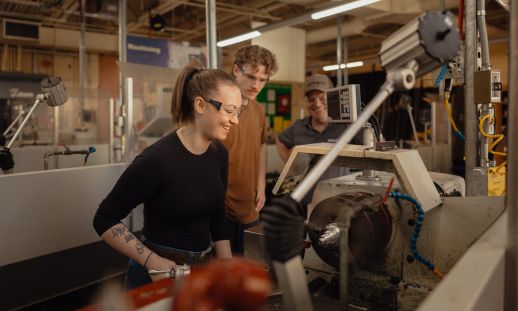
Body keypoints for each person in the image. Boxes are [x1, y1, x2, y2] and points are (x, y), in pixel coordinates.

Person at [93, 62, 242, 289]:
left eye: (238, 111)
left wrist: (227, 268)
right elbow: (104, 219)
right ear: (200, 104)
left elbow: (218, 218)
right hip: (157, 274)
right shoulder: (157, 160)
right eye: (230, 111)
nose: (235, 120)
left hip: (201, 271)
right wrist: (153, 262)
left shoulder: (219, 153)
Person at [221, 45, 279, 255]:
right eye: (252, 77)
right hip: (221, 207)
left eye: (263, 80)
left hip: (251, 205)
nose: (256, 85)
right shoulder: (219, 108)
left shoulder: (258, 110)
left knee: (247, 267)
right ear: (236, 70)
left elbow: (262, 145)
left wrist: (261, 185)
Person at [276, 74, 361, 209]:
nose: (317, 104)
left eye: (322, 98)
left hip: (337, 202)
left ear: (333, 97)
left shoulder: (348, 126)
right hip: (303, 202)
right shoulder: (298, 126)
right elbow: (280, 141)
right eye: (311, 99)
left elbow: (370, 148)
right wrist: (290, 162)